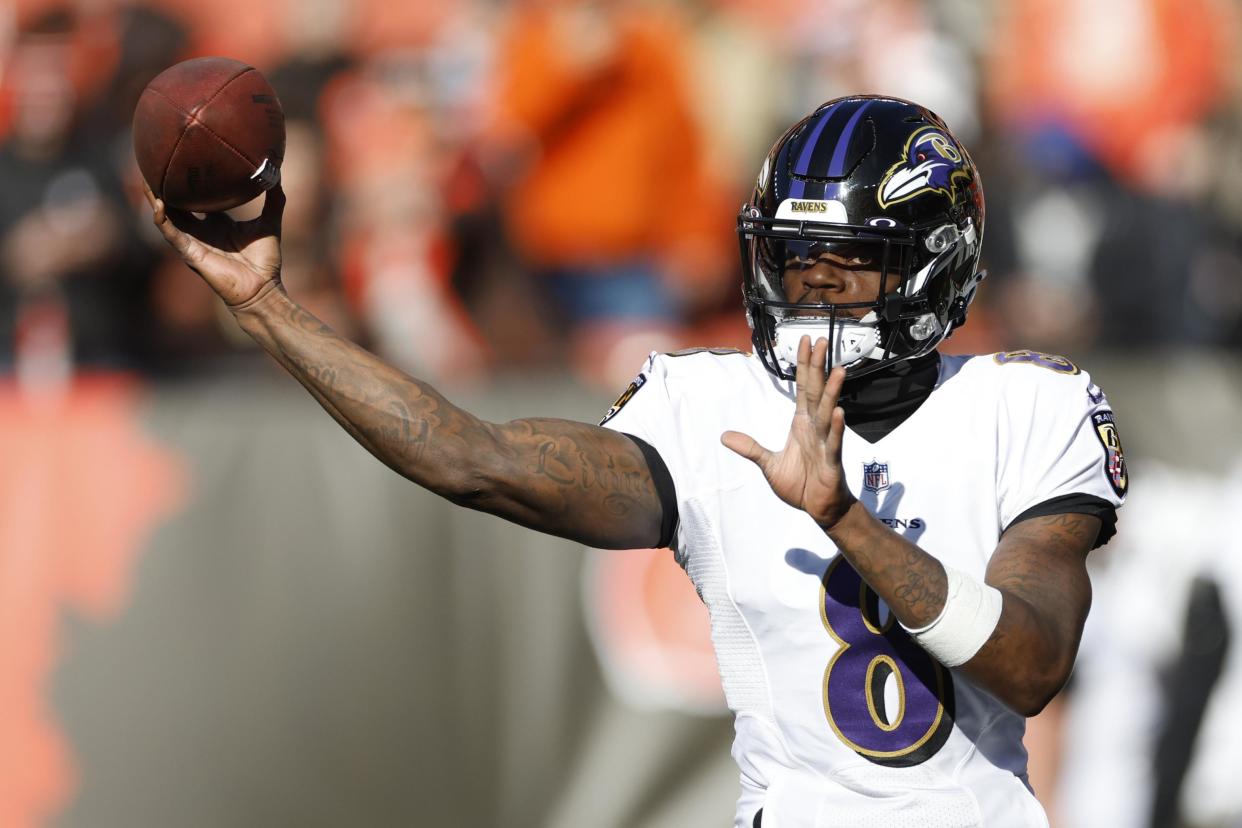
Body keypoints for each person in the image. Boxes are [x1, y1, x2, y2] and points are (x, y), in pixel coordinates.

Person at [144, 95, 1127, 827]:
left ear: (933, 264)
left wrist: (843, 520)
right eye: (794, 261)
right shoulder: (708, 409)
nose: (811, 291)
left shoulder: (1026, 406)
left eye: (846, 264)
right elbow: (468, 458)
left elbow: (1031, 662)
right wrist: (263, 308)